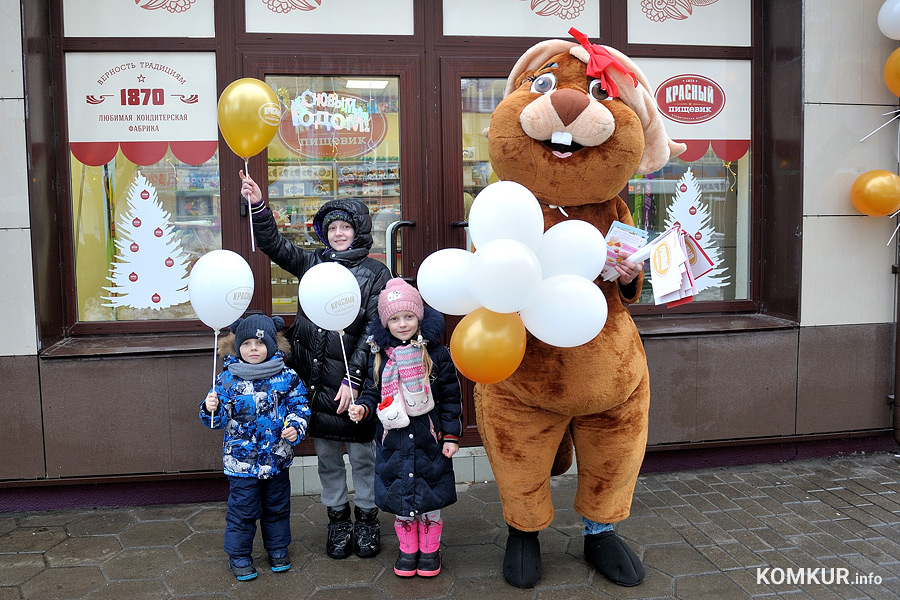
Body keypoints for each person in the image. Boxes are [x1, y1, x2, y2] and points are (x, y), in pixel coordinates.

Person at [241, 171, 392, 560]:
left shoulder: (376, 274)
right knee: (327, 458)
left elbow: (374, 332)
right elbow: (275, 245)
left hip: (352, 387)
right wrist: (258, 206)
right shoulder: (312, 264)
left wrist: (353, 378)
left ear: (358, 230)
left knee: (362, 457)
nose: (339, 233)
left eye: (345, 227)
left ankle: (368, 520)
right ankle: (338, 521)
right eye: (333, 228)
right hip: (314, 383)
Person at [348, 278, 463, 577]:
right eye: (395, 319)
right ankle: (408, 550)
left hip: (429, 438)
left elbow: (450, 396)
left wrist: (450, 434)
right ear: (386, 324)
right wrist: (364, 406)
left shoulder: (436, 354)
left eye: (408, 316)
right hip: (393, 440)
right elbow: (375, 391)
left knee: (429, 495)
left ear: (419, 317)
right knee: (402, 496)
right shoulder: (380, 356)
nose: (402, 324)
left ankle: (430, 551)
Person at [200, 313, 310, 581]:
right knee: (243, 510)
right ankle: (239, 555)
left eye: (259, 344)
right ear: (238, 347)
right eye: (247, 344)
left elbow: (300, 406)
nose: (253, 349)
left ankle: (278, 549)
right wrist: (210, 409)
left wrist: (295, 426)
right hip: (242, 463)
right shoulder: (227, 380)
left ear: (271, 346)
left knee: (277, 507)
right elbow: (217, 421)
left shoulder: (287, 377)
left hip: (276, 458)